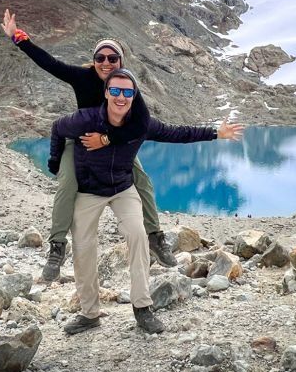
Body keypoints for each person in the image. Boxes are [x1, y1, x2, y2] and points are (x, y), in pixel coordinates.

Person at [51, 68, 244, 334]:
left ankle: (142, 308)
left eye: (127, 92)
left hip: (122, 188)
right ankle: (89, 314)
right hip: (88, 191)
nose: (121, 97)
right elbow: (57, 128)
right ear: (106, 93)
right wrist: (55, 162)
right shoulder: (85, 119)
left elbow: (177, 133)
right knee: (83, 248)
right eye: (115, 90)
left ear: (134, 95)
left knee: (138, 236)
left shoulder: (141, 124)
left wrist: (216, 134)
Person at [0, 9, 177, 281]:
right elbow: (49, 63)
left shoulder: (126, 85)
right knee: (67, 184)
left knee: (142, 180)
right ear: (93, 61)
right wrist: (18, 38)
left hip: (115, 143)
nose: (106, 63)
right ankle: (57, 246)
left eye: (112, 58)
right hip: (81, 142)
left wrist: (106, 139)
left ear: (121, 61)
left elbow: (140, 125)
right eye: (100, 58)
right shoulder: (81, 77)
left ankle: (155, 236)